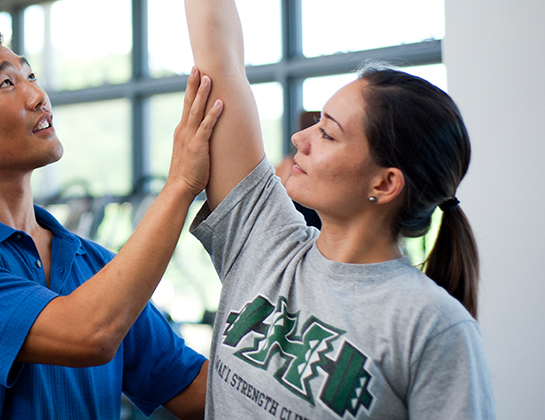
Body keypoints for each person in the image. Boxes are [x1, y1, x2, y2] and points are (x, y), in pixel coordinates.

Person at [0, 23, 222, 419]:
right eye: (6, 85)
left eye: (30, 76)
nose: (38, 95)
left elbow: (195, 390)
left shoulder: (95, 265)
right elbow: (88, 334)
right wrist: (181, 185)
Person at [182, 0, 494, 418]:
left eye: (327, 133)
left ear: (384, 183)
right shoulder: (263, 237)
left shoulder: (432, 326)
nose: (300, 138)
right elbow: (219, 53)